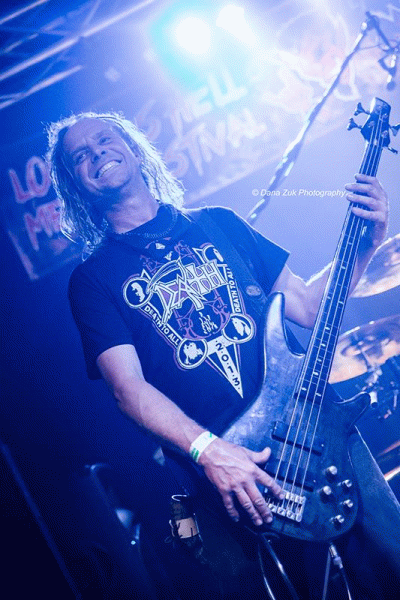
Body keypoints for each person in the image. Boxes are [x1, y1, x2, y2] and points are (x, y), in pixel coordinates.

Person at [47, 111, 400, 599]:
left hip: (318, 429)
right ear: (75, 186)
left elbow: (306, 306)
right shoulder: (92, 280)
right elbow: (128, 390)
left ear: (133, 149)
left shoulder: (220, 224)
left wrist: (366, 245)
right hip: (235, 471)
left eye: (105, 139)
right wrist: (210, 452)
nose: (97, 154)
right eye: (80, 156)